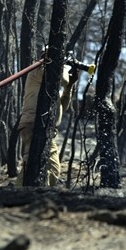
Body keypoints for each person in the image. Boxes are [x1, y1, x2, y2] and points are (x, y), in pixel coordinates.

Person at [17, 56, 75, 187]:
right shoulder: (38, 71)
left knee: (49, 170)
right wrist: (65, 68)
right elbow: (63, 80)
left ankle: (28, 193)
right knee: (34, 167)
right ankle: (18, 193)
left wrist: (69, 88)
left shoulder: (50, 84)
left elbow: (62, 106)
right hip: (34, 124)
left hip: (45, 128)